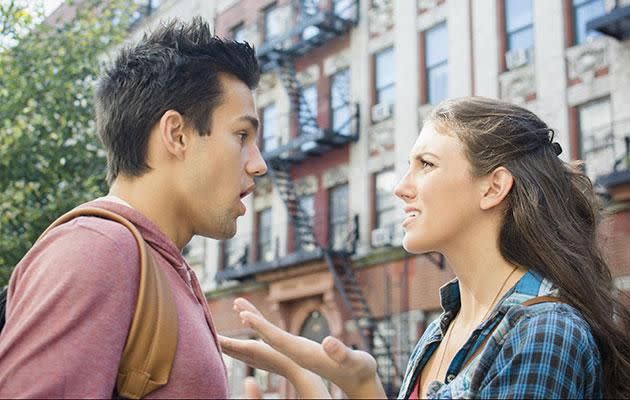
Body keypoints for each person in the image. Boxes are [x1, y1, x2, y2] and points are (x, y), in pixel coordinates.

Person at [220, 96, 630, 399]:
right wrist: (337, 382)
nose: (401, 188)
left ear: (494, 187)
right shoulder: (440, 331)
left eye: (426, 165)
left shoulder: (544, 333)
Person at [0, 18, 268, 398]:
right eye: (242, 135)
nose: (258, 164)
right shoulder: (98, 250)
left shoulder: (153, 263)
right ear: (176, 135)